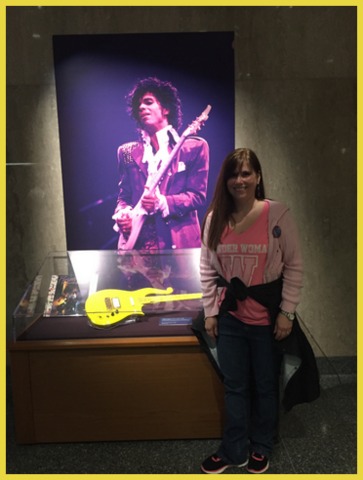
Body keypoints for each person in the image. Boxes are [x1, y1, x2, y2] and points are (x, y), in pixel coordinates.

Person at [199, 148, 303, 474]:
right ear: (225, 180)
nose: (239, 180)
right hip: (231, 318)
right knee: (235, 386)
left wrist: (287, 313)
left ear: (257, 177)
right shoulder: (215, 219)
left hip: (267, 320)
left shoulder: (278, 215)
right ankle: (234, 449)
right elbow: (206, 268)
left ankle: (261, 444)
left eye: (246, 173)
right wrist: (210, 311)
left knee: (265, 384)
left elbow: (295, 266)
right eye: (234, 174)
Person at [112, 76, 210, 250]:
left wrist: (163, 202)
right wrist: (123, 214)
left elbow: (197, 196)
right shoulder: (126, 152)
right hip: (139, 246)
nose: (142, 107)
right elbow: (124, 198)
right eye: (139, 105)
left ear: (165, 109)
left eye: (149, 102)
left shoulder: (194, 148)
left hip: (178, 245)